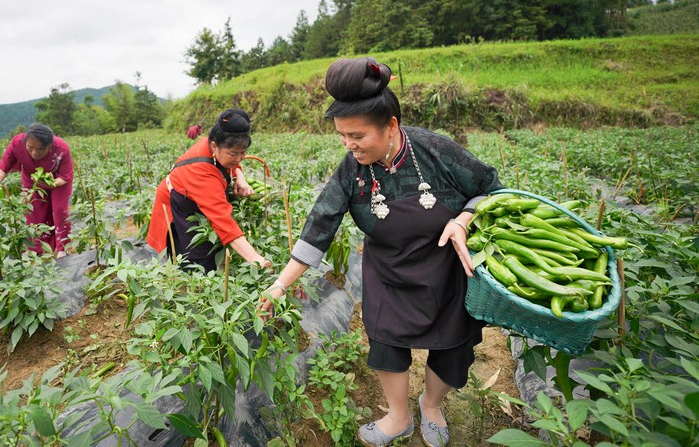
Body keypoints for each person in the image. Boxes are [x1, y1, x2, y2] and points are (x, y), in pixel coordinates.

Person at [260, 58, 502, 447]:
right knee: (387, 344)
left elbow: (490, 186)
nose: (348, 145)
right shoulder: (351, 171)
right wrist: (279, 286)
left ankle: (432, 405)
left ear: (391, 126)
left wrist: (464, 218)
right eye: (342, 135)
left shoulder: (436, 150)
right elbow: (321, 222)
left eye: (357, 135)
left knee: (453, 347)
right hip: (388, 271)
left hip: (447, 270)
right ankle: (398, 415)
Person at [147, 108, 272, 273]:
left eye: (243, 153)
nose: (239, 158)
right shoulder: (201, 171)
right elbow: (222, 219)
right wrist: (253, 257)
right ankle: (193, 288)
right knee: (194, 256)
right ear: (214, 146)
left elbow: (232, 162)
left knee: (208, 245)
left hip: (194, 195)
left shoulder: (216, 144)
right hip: (178, 202)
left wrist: (239, 176)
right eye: (233, 153)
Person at [0, 123, 74, 258]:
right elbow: (3, 166)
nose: (34, 153)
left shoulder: (61, 149)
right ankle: (36, 249)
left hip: (57, 180)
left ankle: (63, 248)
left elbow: (65, 177)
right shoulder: (17, 143)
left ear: (49, 146)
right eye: (30, 147)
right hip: (31, 177)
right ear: (25, 142)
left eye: (40, 149)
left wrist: (51, 183)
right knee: (33, 210)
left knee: (58, 210)